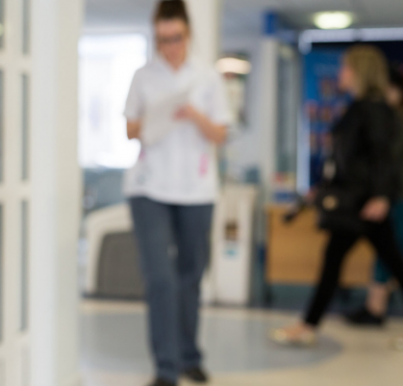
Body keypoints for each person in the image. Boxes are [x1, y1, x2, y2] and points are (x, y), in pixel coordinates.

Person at [124, 1, 232, 385]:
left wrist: (193, 113)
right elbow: (130, 128)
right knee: (161, 278)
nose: (169, 46)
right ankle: (166, 367)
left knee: (190, 275)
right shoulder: (144, 76)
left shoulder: (208, 77)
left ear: (188, 34)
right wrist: (158, 114)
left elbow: (221, 133)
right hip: (149, 187)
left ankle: (189, 355)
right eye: (162, 39)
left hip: (197, 189)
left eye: (176, 38)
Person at [271, 45, 403, 346]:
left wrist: (381, 197)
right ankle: (307, 325)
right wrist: (323, 186)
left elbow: (385, 157)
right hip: (353, 201)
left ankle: (307, 325)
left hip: (365, 204)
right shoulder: (357, 108)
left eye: (345, 67)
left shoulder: (375, 109)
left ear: (359, 71)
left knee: (388, 263)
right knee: (350, 261)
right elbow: (346, 159)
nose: (340, 73)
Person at [345, 67, 403, 326]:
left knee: (392, 253)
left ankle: (375, 307)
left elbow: (389, 163)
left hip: (396, 197)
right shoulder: (387, 119)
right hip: (391, 197)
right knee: (388, 252)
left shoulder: (393, 121)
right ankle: (375, 306)